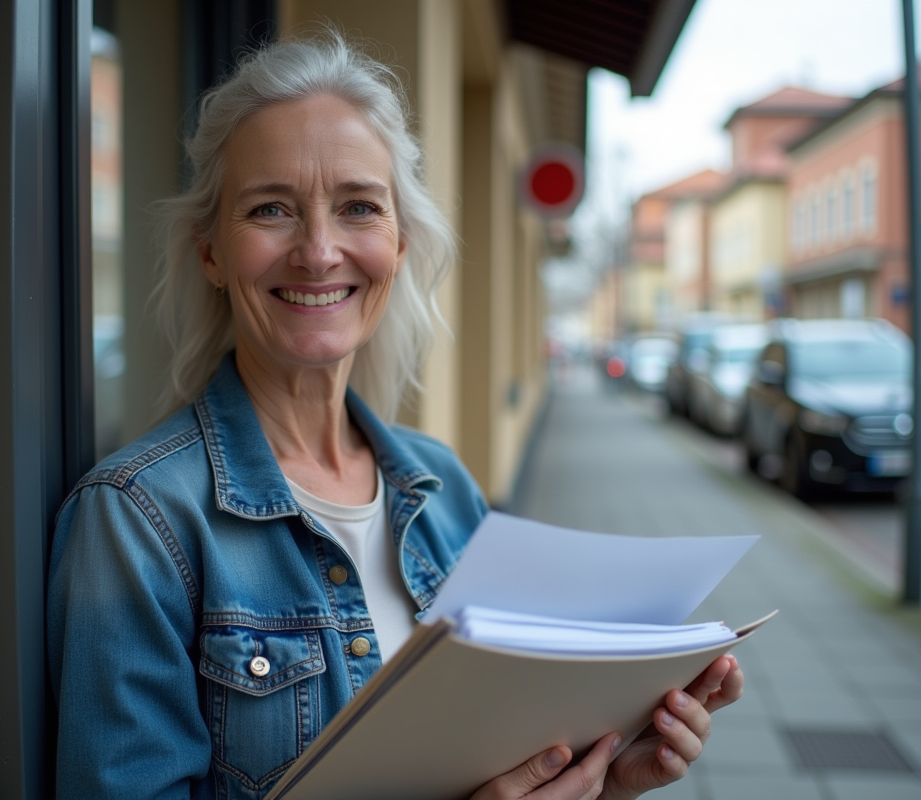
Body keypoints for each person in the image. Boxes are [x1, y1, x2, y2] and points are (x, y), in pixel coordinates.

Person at [47, 32, 745, 800]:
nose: (318, 251)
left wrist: (605, 772)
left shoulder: (443, 486)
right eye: (271, 208)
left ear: (399, 244)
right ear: (210, 249)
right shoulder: (137, 520)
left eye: (358, 208)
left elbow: (505, 747)